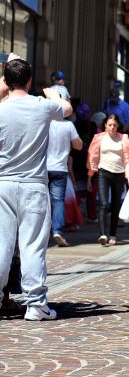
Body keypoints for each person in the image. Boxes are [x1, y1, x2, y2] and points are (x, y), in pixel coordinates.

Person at [0, 57, 73, 321]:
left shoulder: (1, 108)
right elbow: (67, 107)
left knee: (1, 245)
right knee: (32, 246)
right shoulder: (42, 106)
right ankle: (36, 304)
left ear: (6, 81)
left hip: (3, 183)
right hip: (33, 184)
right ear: (30, 81)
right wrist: (51, 90)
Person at [87, 114, 129, 246]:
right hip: (103, 172)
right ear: (105, 125)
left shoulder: (123, 139)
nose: (112, 127)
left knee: (116, 205)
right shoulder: (99, 138)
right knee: (103, 203)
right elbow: (93, 156)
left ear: (118, 126)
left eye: (114, 125)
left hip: (119, 174)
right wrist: (90, 175)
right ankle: (103, 234)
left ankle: (113, 234)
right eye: (109, 125)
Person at [46, 115, 83, 247]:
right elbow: (78, 146)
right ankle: (57, 231)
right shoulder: (68, 125)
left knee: (42, 201)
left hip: (41, 168)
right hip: (59, 168)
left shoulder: (43, 121)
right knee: (57, 201)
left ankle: (41, 231)